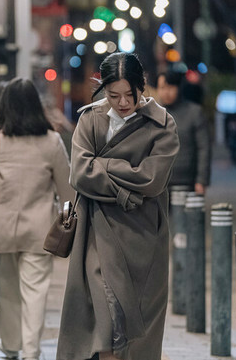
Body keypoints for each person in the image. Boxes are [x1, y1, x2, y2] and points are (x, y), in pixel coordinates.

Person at [56, 53, 180, 360]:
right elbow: (80, 174)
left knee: (136, 316)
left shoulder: (162, 124)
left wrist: (105, 165)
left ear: (143, 86)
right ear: (103, 89)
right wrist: (125, 184)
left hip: (143, 232)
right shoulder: (91, 119)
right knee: (105, 314)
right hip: (96, 230)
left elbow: (152, 179)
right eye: (113, 95)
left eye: (129, 94)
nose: (122, 102)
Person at [0, 78, 73, 360]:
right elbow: (67, 188)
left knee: (7, 291)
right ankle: (31, 351)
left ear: (4, 105)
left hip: (2, 228)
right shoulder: (51, 140)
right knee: (35, 292)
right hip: (39, 229)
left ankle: (11, 345)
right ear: (36, 105)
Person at [156, 70, 211, 194]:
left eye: (171, 87)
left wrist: (201, 180)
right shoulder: (153, 113)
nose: (166, 92)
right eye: (162, 87)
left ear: (178, 88)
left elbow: (204, 148)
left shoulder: (194, 112)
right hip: (159, 182)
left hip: (187, 181)